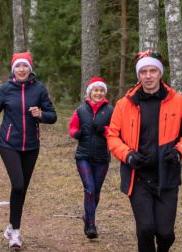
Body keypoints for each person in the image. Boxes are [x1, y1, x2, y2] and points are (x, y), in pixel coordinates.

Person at [107, 51, 182, 252]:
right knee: (145, 230)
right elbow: (112, 135)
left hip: (167, 175)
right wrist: (127, 154)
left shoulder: (179, 101)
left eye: (152, 71)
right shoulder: (125, 104)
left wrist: (178, 152)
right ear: (138, 75)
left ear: (160, 73)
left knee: (166, 234)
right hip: (138, 176)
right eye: (144, 71)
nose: (148, 76)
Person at [0, 51, 57, 249]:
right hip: (9, 144)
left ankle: (12, 227)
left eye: (25, 66)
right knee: (17, 184)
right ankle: (15, 233)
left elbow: (53, 115)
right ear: (13, 69)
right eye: (18, 66)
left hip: (32, 146)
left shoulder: (39, 89)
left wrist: (41, 114)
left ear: (30, 69)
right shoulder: (5, 89)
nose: (21, 69)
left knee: (22, 188)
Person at [68, 77, 113, 239]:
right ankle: (91, 225)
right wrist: (76, 134)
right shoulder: (81, 110)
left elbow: (115, 131)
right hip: (83, 156)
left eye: (101, 90)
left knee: (96, 192)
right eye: (96, 90)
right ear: (90, 93)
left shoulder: (110, 110)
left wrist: (104, 130)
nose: (99, 93)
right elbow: (72, 127)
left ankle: (87, 216)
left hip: (102, 157)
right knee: (89, 189)